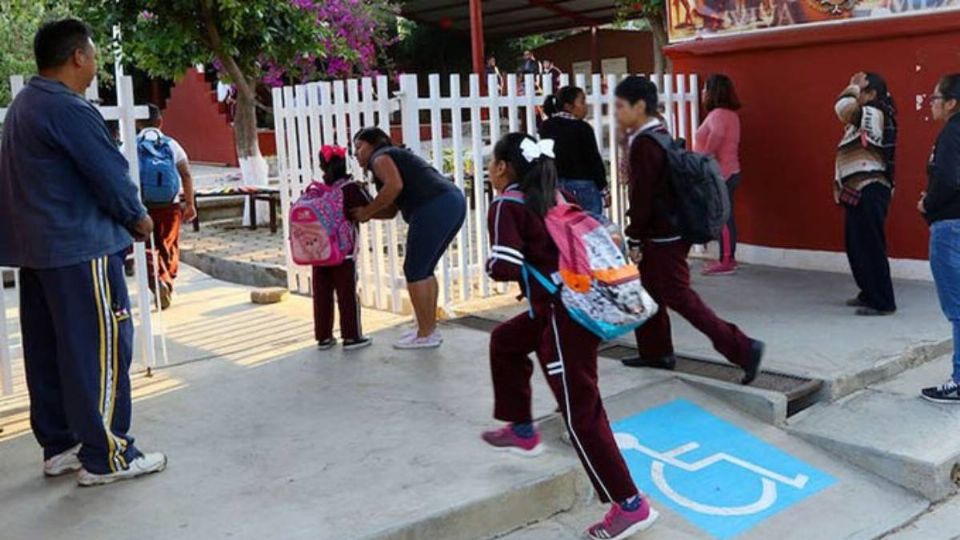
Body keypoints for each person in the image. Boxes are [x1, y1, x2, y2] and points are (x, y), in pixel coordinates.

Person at [0, 19, 166, 486]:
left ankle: (61, 445)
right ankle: (108, 454)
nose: (95, 66)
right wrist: (137, 216)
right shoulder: (67, 107)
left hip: (39, 254)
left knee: (53, 352)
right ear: (78, 56)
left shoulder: (24, 105)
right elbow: (107, 172)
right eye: (92, 56)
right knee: (102, 351)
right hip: (80, 249)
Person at [481, 132, 659, 540]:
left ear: (505, 168)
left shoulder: (506, 203)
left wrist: (504, 260)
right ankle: (522, 428)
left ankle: (630, 504)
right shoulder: (553, 195)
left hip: (565, 316)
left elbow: (502, 266)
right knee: (505, 341)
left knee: (581, 414)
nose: (489, 171)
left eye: (491, 163)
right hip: (567, 305)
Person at [614, 76, 765, 384]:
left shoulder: (645, 144)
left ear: (639, 106)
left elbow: (643, 196)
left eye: (621, 106)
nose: (617, 113)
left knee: (679, 297)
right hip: (672, 228)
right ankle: (656, 351)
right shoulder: (660, 134)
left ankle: (743, 348)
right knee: (649, 293)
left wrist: (634, 234)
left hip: (660, 234)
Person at [350, 128, 466, 349]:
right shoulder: (392, 159)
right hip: (452, 201)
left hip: (433, 205)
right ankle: (428, 329)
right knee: (423, 269)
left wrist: (366, 211)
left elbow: (395, 187)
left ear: (374, 144)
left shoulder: (380, 157)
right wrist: (364, 213)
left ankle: (425, 334)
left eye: (359, 146)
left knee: (415, 270)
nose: (356, 153)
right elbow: (391, 210)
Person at [834, 72, 898, 316]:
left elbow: (842, 107)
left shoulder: (875, 113)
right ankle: (868, 292)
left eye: (861, 90)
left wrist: (852, 86)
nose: (856, 95)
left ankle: (883, 301)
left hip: (870, 188)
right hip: (857, 190)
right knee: (857, 246)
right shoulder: (866, 116)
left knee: (870, 247)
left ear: (871, 94)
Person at [919, 74, 960, 403]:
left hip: (950, 226)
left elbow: (947, 179)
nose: (931, 103)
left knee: (957, 307)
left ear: (951, 103)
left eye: (936, 98)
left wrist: (927, 204)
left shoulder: (951, 133)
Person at [312, 145, 373, 351]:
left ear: (321, 166)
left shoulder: (317, 190)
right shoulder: (350, 188)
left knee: (322, 294)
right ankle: (351, 336)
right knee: (346, 294)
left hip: (319, 252)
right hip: (343, 253)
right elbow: (368, 208)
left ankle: (324, 337)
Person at [136, 104, 196, 310]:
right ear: (160, 122)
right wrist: (190, 204)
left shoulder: (131, 145)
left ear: (138, 123)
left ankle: (157, 280)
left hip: (142, 207)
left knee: (147, 247)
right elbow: (186, 174)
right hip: (170, 206)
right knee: (168, 245)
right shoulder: (171, 145)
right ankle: (167, 280)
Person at [695, 74, 743, 276]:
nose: (703, 93)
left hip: (720, 174)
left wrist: (703, 157)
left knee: (722, 217)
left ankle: (725, 260)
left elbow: (717, 136)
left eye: (706, 89)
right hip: (731, 171)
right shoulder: (731, 115)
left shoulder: (717, 115)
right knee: (727, 215)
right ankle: (728, 257)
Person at [539, 86, 608, 220]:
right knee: (590, 227)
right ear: (569, 106)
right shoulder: (583, 128)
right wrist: (603, 189)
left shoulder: (546, 127)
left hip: (557, 185)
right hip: (584, 185)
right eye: (582, 102)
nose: (585, 106)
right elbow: (593, 159)